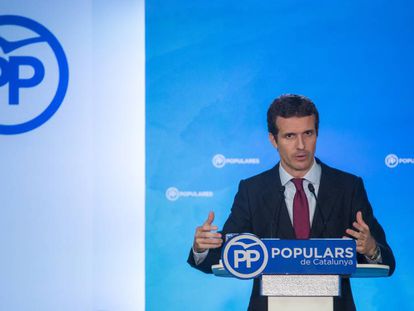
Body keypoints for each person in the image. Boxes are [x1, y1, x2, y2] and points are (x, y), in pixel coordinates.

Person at [187, 94, 395, 311]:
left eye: (308, 133)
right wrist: (201, 248)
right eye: (289, 136)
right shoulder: (253, 190)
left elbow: (387, 261)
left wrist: (372, 249)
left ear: (317, 133)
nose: (301, 145)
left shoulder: (348, 187)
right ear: (273, 140)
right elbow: (228, 255)